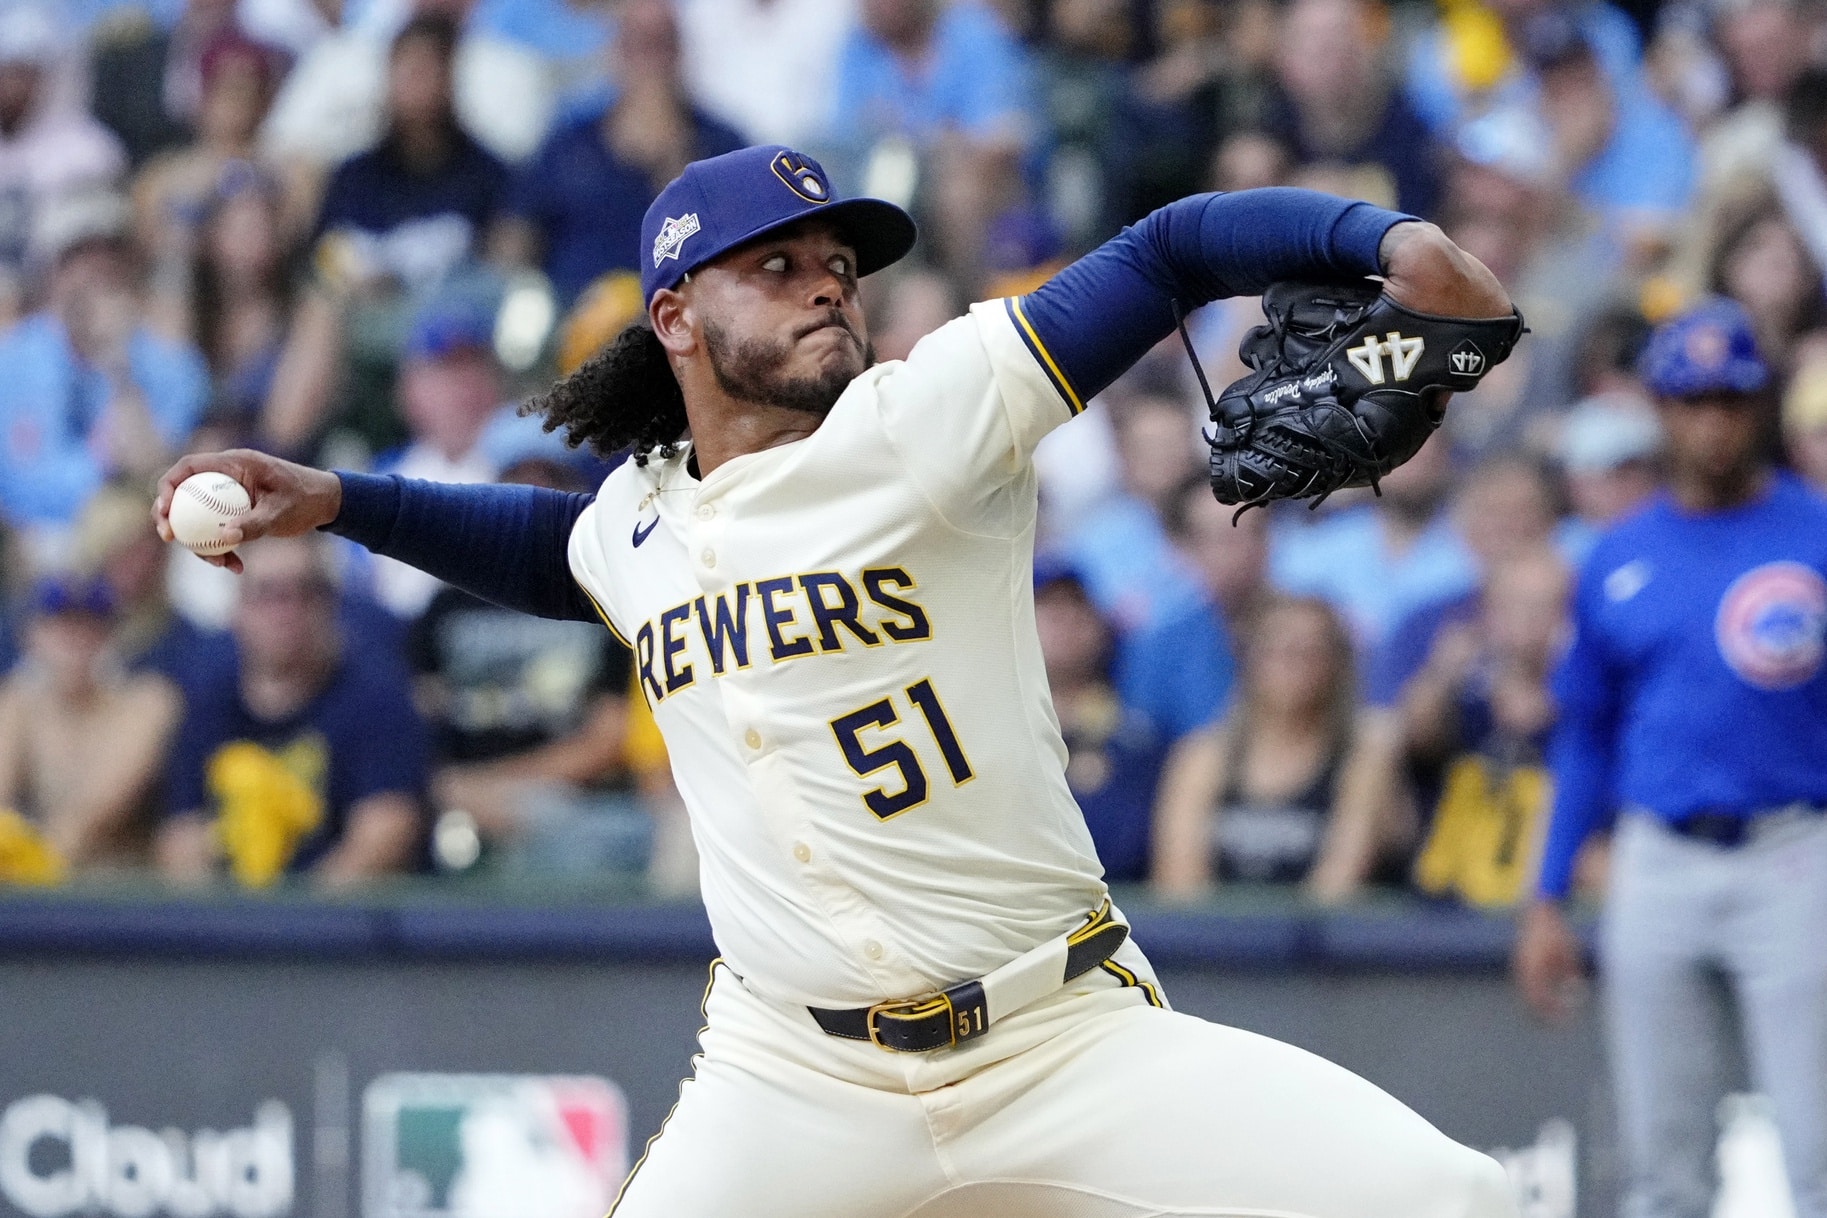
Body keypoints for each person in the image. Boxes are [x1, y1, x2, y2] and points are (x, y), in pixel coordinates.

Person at [157, 144, 1519, 1215]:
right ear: (676, 316)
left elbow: (1165, 251)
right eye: (780, 263)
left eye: (838, 263)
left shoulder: (926, 418)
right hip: (791, 1079)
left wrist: (1388, 244)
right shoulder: (635, 516)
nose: (827, 282)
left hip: (1052, 1038)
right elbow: (553, 550)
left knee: (1452, 1199)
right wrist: (336, 499)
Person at [1514, 297, 1827, 1218]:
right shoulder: (1617, 554)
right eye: (1691, 400)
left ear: (1759, 404)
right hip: (1656, 856)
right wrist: (1546, 894)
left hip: (1794, 850)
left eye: (1729, 399)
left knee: (1819, 1152)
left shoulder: (1813, 534)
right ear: (1659, 408)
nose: (1712, 420)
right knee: (1658, 1161)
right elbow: (1584, 735)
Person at [158, 534, 427, 887]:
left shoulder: (378, 696)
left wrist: (290, 924)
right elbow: (180, 835)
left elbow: (386, 832)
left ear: (332, 603)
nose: (286, 611)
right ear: (237, 608)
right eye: (267, 593)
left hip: (338, 927)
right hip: (232, 923)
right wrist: (224, 924)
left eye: (306, 592)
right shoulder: (208, 698)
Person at [1152, 596, 1408, 902]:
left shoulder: (1362, 758)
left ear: (1337, 663)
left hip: (1321, 944)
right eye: (1277, 648)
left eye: (1310, 651)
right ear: (1249, 659)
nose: (1291, 662)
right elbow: (1180, 884)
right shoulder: (1203, 756)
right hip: (1213, 942)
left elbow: (1338, 886)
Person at [0, 574, 181, 872]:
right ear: (31, 633)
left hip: (119, 894)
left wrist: (29, 859)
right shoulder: (16, 704)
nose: (76, 637)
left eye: (91, 623)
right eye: (62, 622)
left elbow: (90, 818)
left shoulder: (145, 701)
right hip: (36, 889)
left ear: (112, 633)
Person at [1033, 559, 1166, 883]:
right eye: (1049, 610)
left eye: (1077, 608)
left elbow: (1131, 843)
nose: (1065, 622)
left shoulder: (1139, 738)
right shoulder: (993, 730)